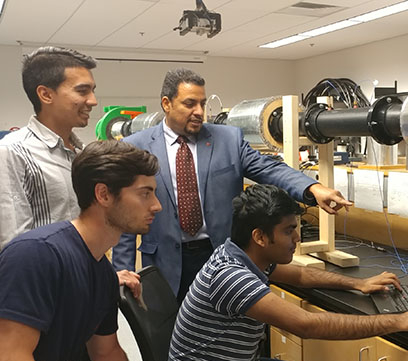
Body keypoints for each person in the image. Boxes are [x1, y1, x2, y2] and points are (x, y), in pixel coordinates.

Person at [166, 184, 408, 361]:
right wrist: (400, 320)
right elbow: (306, 325)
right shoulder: (230, 276)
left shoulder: (243, 254)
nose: (297, 239)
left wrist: (359, 283)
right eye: (289, 231)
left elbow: (301, 276)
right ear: (260, 237)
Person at [113, 68, 352, 303]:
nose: (199, 112)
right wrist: (121, 272)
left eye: (202, 104)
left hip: (222, 256)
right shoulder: (135, 147)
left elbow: (268, 168)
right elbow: (125, 213)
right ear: (167, 103)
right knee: (169, 337)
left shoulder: (228, 140)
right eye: (189, 104)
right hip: (164, 262)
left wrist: (313, 188)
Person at [0, 140, 164, 361]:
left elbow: (106, 353)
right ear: (104, 195)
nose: (157, 206)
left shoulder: (102, 272)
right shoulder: (37, 255)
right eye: (145, 194)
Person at [0, 46, 141, 292]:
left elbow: (86, 234)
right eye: (82, 91)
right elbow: (14, 250)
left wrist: (106, 275)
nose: (93, 101)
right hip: (47, 300)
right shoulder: (12, 152)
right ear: (45, 94)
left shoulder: (81, 154)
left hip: (84, 293)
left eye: (92, 91)